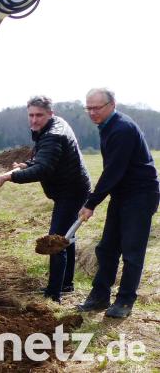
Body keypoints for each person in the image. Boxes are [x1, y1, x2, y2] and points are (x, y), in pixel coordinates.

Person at [0, 96, 91, 303]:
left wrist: (9, 177)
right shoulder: (52, 127)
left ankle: (53, 294)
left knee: (55, 240)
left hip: (71, 192)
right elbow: (45, 158)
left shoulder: (53, 135)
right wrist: (27, 164)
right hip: (72, 188)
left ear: (50, 114)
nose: (34, 120)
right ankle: (66, 284)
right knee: (66, 236)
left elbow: (43, 169)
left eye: (39, 115)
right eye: (31, 115)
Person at [76, 88, 159, 318]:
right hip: (122, 193)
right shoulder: (107, 126)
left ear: (112, 104)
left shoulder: (122, 129)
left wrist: (91, 203)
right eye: (88, 108)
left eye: (97, 108)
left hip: (141, 194)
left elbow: (113, 171)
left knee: (132, 251)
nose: (92, 113)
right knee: (107, 248)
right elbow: (114, 172)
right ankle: (99, 296)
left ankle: (124, 301)